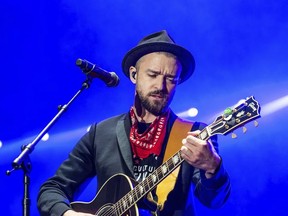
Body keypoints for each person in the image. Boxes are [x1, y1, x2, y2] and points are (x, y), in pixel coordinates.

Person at [37, 30, 231, 216]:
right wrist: (68, 214)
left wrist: (212, 166)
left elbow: (214, 201)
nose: (160, 86)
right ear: (134, 75)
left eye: (171, 79)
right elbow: (51, 190)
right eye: (153, 74)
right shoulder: (102, 133)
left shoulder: (194, 134)